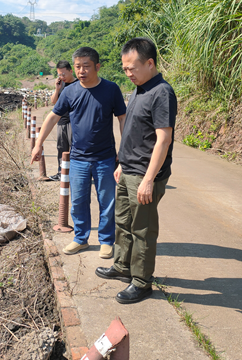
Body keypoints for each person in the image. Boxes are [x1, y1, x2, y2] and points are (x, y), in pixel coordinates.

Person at [95, 37, 177, 304]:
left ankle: (142, 282)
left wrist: (149, 179)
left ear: (150, 63)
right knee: (123, 222)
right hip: (128, 170)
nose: (127, 73)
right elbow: (133, 133)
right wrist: (121, 164)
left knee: (142, 229)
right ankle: (123, 265)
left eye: (132, 68)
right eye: (124, 68)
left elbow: (163, 139)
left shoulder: (161, 92)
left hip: (144, 175)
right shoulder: (140, 89)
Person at [31, 47, 126, 259]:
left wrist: (123, 150)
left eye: (86, 66)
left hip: (105, 157)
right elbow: (53, 117)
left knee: (107, 201)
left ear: (97, 67)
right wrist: (38, 144)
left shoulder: (111, 89)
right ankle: (81, 238)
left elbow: (122, 119)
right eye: (78, 67)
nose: (81, 71)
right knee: (78, 201)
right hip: (78, 158)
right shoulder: (70, 91)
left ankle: (106, 241)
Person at [49, 60, 77, 182]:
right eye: (59, 74)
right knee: (61, 147)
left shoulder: (79, 84)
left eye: (64, 74)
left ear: (71, 71)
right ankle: (61, 172)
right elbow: (54, 102)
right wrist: (57, 89)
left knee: (74, 148)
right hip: (62, 121)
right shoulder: (61, 85)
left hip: (75, 122)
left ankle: (74, 174)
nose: (62, 77)